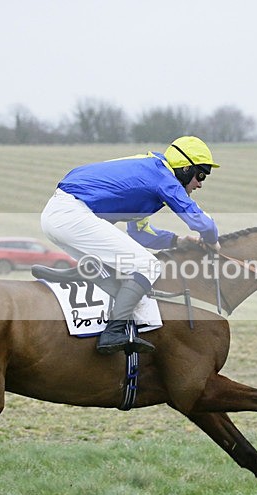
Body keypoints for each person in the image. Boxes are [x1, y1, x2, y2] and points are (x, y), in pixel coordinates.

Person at [40, 136, 220, 354]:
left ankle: (69, 276)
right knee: (149, 266)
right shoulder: (163, 177)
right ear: (184, 168)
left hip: (60, 214)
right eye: (200, 175)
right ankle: (113, 332)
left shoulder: (151, 174)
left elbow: (140, 233)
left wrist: (178, 241)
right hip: (72, 213)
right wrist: (212, 240)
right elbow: (198, 220)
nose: (200, 183)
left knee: (119, 269)